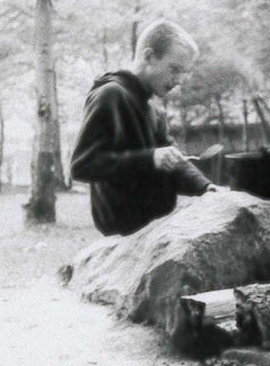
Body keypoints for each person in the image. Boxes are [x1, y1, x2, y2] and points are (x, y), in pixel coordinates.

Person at [71, 19, 215, 237]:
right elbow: (82, 165)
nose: (179, 80)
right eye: (174, 69)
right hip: (123, 235)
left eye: (184, 72)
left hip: (155, 230)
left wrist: (206, 188)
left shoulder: (153, 106)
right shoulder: (110, 96)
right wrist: (150, 159)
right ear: (148, 57)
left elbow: (172, 157)